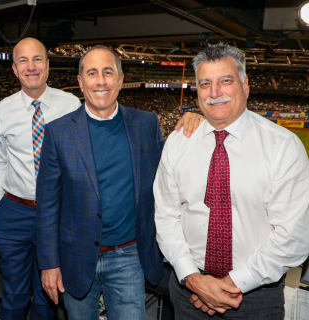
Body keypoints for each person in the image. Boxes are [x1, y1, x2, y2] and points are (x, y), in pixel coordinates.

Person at [35, 45, 201, 320]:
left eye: (108, 72)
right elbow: (48, 206)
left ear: (121, 80)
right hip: (75, 257)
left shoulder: (146, 124)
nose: (101, 81)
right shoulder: (58, 133)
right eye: (92, 73)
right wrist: (49, 264)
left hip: (128, 256)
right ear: (80, 82)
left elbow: (172, 176)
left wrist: (194, 121)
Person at [153, 43, 309, 319]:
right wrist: (192, 278)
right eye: (205, 84)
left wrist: (230, 286)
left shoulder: (282, 146)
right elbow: (166, 217)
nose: (214, 93)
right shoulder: (178, 143)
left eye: (225, 81)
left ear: (245, 85)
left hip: (255, 296)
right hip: (188, 291)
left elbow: (293, 237)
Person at [0, 37, 81, 320]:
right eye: (23, 61)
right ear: (14, 69)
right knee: (14, 295)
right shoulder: (0, 111)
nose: (31, 67)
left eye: (37, 59)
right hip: (14, 212)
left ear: (48, 66)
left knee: (47, 296)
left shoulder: (71, 105)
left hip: (56, 213)